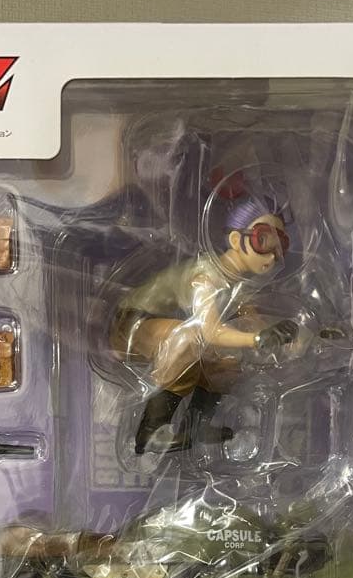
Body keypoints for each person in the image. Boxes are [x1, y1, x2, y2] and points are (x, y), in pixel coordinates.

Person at [109, 187, 299, 454]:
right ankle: (150, 432)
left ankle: (197, 426)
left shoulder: (239, 285)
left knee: (227, 362)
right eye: (263, 239)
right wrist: (255, 339)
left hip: (164, 326)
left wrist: (289, 338)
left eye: (280, 245)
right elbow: (208, 331)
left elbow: (250, 321)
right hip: (131, 325)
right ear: (236, 239)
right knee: (187, 339)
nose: (271, 255)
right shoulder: (207, 275)